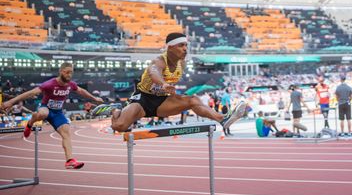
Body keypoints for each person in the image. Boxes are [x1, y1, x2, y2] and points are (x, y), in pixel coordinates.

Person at [91, 33, 224, 131]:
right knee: (119, 126)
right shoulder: (159, 61)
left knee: (193, 100)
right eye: (181, 45)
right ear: (170, 48)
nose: (185, 49)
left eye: (186, 45)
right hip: (142, 99)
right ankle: (115, 109)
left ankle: (222, 119)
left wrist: (170, 92)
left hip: (162, 101)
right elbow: (154, 73)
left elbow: (170, 83)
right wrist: (163, 84)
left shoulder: (182, 64)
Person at [0, 62, 103, 169]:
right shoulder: (49, 84)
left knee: (66, 132)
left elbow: (82, 91)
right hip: (46, 108)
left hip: (58, 113)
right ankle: (30, 124)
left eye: (71, 73)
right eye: (67, 72)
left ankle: (69, 160)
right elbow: (31, 93)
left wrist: (94, 98)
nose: (69, 75)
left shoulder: (71, 84)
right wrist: (11, 102)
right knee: (43, 113)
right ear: (61, 72)